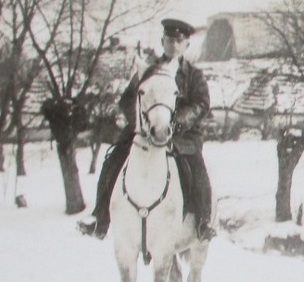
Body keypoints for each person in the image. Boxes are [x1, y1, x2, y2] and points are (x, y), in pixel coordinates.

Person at [78, 17, 217, 242]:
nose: (173, 45)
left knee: (197, 169)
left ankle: (203, 221)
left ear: (186, 46)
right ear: (162, 41)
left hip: (183, 136)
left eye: (178, 41)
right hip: (144, 134)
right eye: (169, 40)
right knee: (112, 159)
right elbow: (126, 101)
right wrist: (142, 125)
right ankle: (100, 217)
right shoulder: (146, 71)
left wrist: (178, 122)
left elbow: (201, 105)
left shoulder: (193, 75)